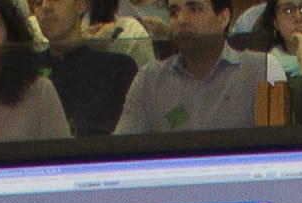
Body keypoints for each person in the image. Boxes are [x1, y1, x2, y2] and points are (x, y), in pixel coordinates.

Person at [112, 0, 265, 127]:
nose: (182, 20)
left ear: (223, 17)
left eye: (194, 9)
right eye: (174, 12)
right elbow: (122, 152)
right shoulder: (149, 79)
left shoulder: (260, 69)